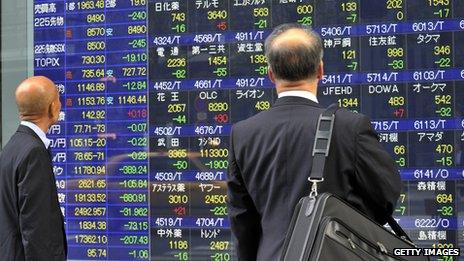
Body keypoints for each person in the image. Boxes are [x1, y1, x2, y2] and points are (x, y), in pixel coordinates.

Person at [227, 23, 402, 261]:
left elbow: (242, 220)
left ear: (270, 74)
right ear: (320, 70)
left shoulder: (243, 133)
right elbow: (385, 197)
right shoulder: (350, 127)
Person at [0, 76, 67, 261]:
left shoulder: (12, 147)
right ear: (53, 107)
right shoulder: (34, 152)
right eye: (58, 100)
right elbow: (37, 228)